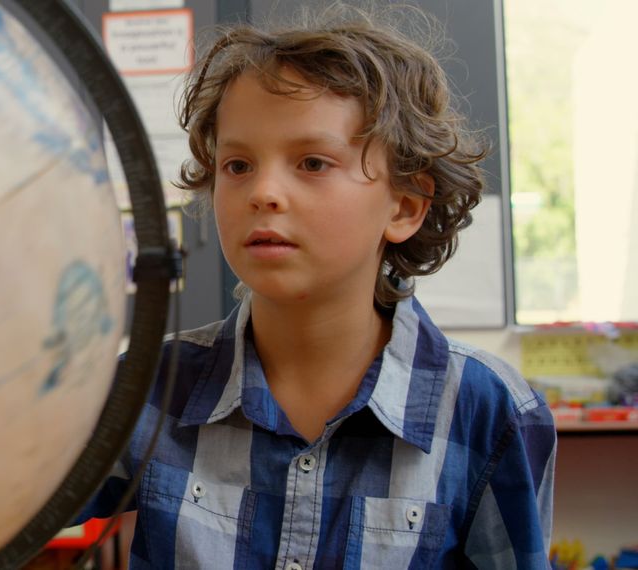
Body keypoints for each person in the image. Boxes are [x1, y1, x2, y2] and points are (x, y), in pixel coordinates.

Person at [76, 4, 556, 568]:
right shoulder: (150, 388)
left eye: (312, 162)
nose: (263, 192)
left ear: (405, 206)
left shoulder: (489, 410)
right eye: (237, 165)